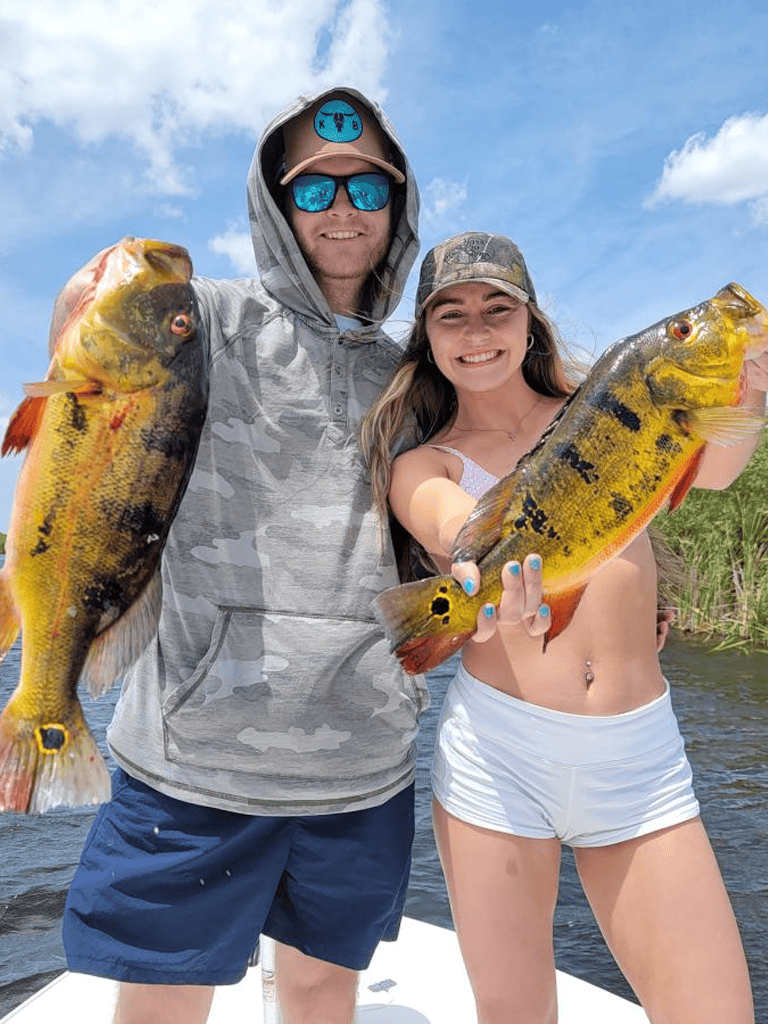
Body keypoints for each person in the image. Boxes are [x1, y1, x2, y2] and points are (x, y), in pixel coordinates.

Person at [61, 87, 423, 1024]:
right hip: (195, 759)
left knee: (318, 999)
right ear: (274, 205)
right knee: (163, 1007)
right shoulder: (204, 323)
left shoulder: (412, 375)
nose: (342, 209)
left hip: (361, 762)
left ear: (397, 205)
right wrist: (90, 295)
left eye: (365, 188)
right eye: (314, 191)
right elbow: (86, 340)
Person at [362, 231, 765, 1024]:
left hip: (640, 759)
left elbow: (715, 469)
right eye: (452, 315)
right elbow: (452, 527)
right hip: (498, 759)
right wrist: (479, 578)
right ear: (428, 338)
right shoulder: (425, 462)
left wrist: (747, 388)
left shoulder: (613, 406)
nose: (477, 332)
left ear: (529, 323)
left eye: (496, 309)